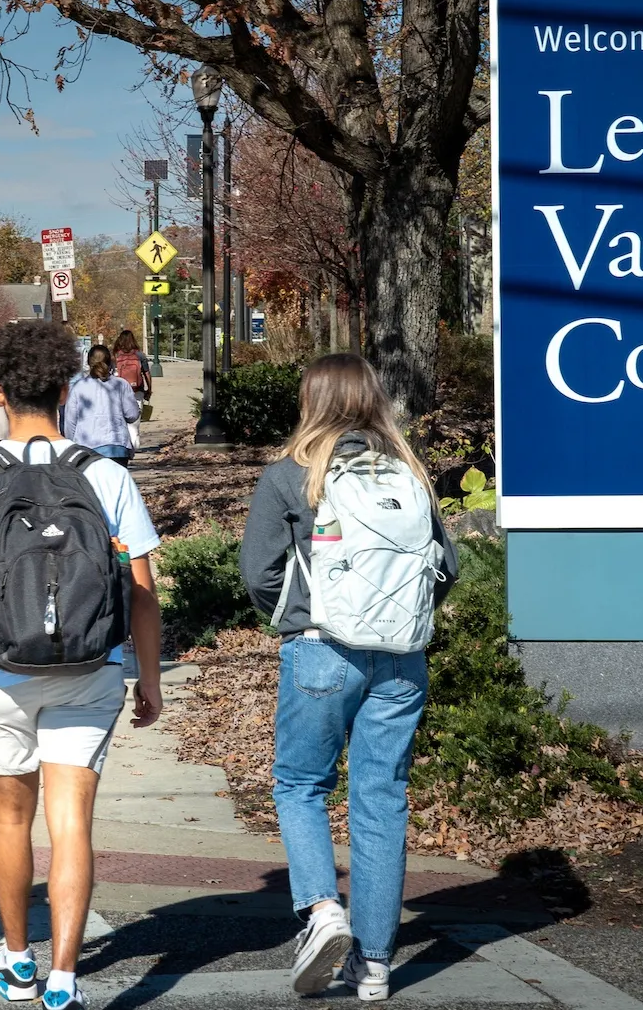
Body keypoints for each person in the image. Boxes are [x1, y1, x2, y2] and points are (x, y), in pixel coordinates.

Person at [0, 320, 164, 1010]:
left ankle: (19, 960)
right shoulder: (106, 474)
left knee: (9, 813)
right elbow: (142, 592)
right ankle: (64, 977)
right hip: (89, 669)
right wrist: (147, 678)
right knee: (72, 821)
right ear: (64, 389)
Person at [237, 354, 457, 1002]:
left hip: (321, 650)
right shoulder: (409, 472)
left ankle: (321, 909)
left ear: (311, 400)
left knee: (301, 783)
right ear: (373, 399)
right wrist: (398, 619)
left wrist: (298, 613)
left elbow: (258, 573)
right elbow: (447, 568)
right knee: (381, 798)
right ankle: (376, 964)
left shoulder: (290, 476)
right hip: (402, 658)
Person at [61, 346, 142, 466]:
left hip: (86, 450)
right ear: (110, 362)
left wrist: (73, 446)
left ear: (88, 363)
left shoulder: (78, 387)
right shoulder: (121, 385)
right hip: (117, 447)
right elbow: (132, 414)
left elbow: (70, 423)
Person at [112, 330, 152, 402]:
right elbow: (147, 373)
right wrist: (149, 389)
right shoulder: (139, 355)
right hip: (137, 389)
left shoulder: (116, 356)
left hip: (119, 390)